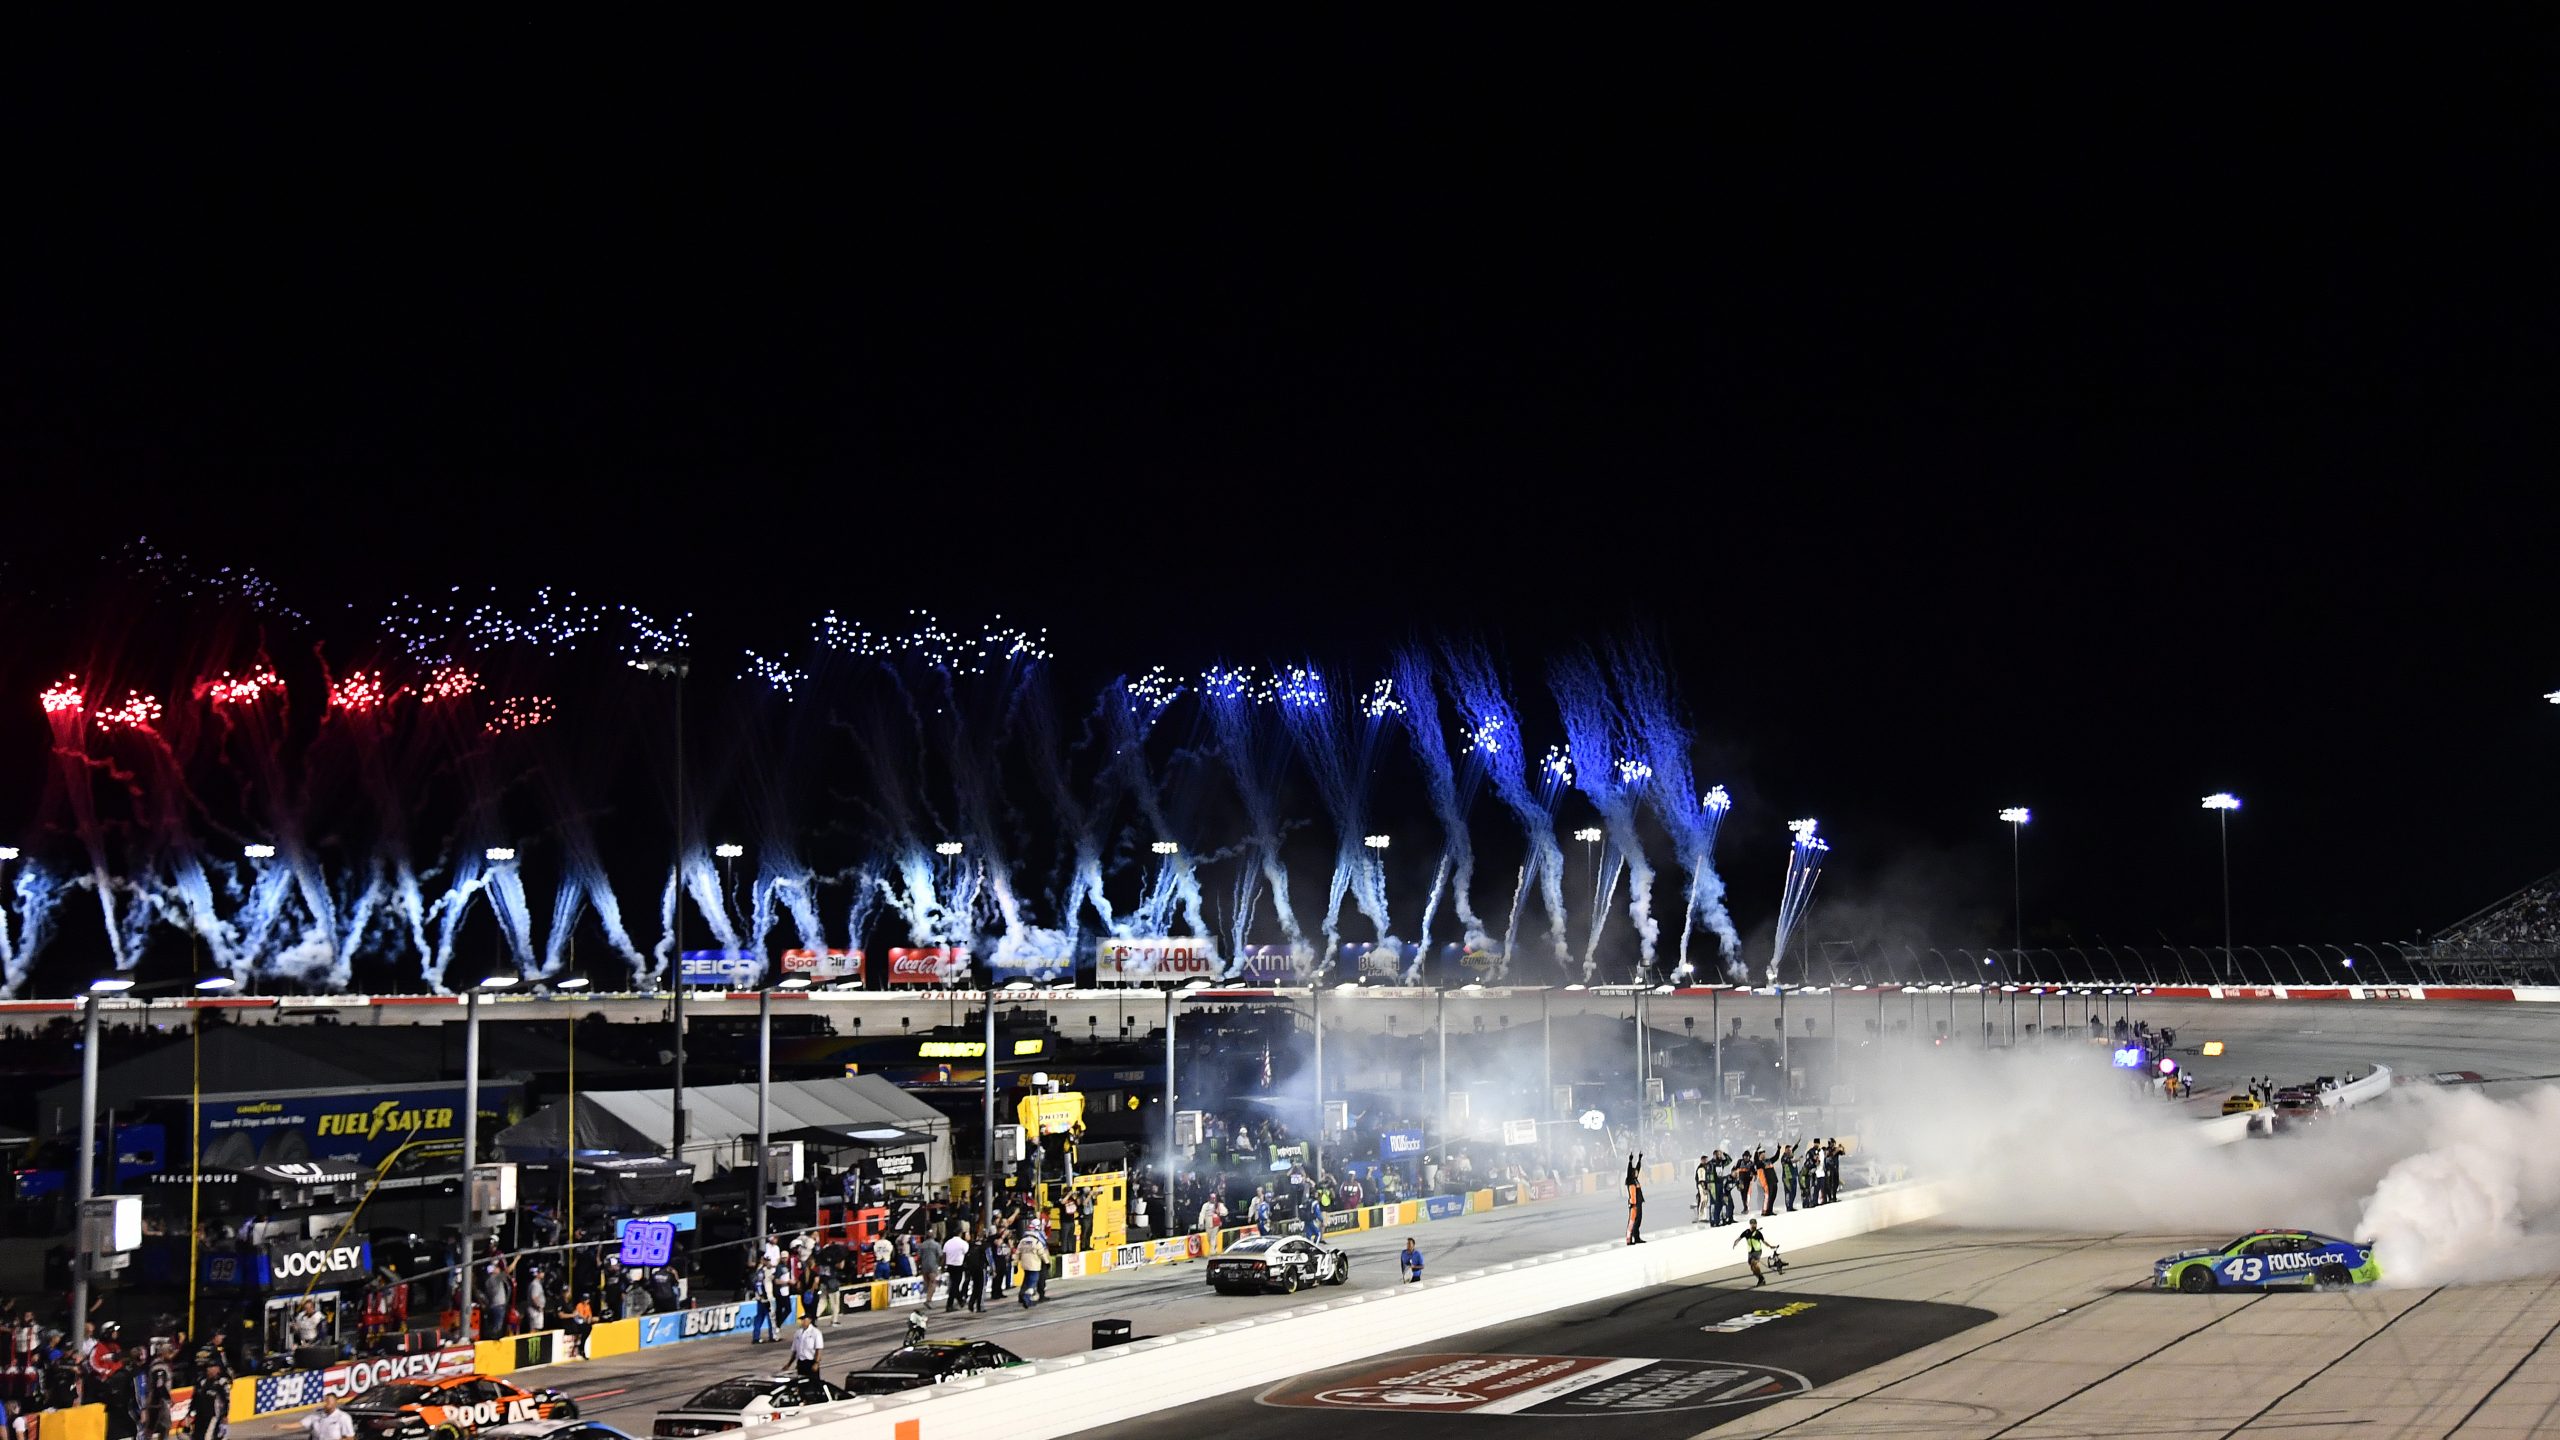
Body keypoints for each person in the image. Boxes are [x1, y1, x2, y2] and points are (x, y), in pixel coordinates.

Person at [748, 1258, 778, 1344]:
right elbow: (758, 1285)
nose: (769, 1262)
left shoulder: (765, 1270)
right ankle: (772, 1336)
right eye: (767, 1260)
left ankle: (756, 1337)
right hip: (765, 1299)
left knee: (760, 1318)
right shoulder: (761, 1271)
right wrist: (763, 1297)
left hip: (763, 1298)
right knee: (770, 1317)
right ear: (763, 1261)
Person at [941, 1230, 970, 1313]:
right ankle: (949, 1305)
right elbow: (966, 1254)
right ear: (960, 1234)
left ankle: (960, 1301)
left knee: (954, 1284)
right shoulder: (963, 1243)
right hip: (958, 1265)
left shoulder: (947, 1243)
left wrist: (943, 1266)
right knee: (955, 1285)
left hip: (950, 1266)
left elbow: (944, 1256)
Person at [1735, 1219, 1769, 1286]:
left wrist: (1770, 1246)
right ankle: (1760, 1278)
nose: (1753, 1225)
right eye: (1752, 1224)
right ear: (1750, 1224)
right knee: (1752, 1268)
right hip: (1750, 1252)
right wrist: (1735, 1242)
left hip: (1757, 1251)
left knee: (1754, 1263)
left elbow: (1763, 1241)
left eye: (1754, 1224)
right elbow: (1740, 1238)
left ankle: (1761, 1278)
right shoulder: (1746, 1232)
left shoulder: (1758, 1233)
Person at [1624, 1153, 1645, 1245]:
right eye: (1634, 1171)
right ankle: (1629, 1239)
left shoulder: (1635, 1179)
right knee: (1632, 1221)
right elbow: (1629, 1171)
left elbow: (1638, 1168)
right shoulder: (1630, 1180)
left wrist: (1639, 1160)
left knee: (1638, 1220)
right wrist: (1630, 1161)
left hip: (1639, 1202)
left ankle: (1636, 1237)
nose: (1636, 1172)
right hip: (1633, 1204)